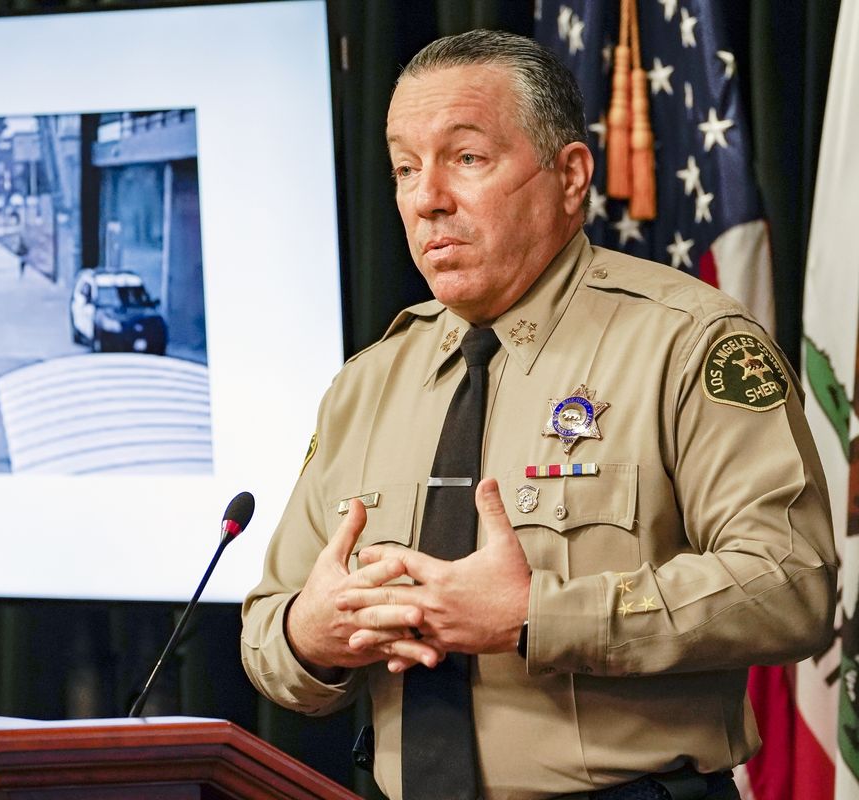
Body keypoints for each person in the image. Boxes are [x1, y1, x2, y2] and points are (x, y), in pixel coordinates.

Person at [240, 29, 837, 800]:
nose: (427, 199)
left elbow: (789, 586)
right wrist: (309, 634)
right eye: (404, 169)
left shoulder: (688, 343)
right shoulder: (367, 382)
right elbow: (265, 635)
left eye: (467, 159)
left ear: (570, 175)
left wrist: (537, 615)